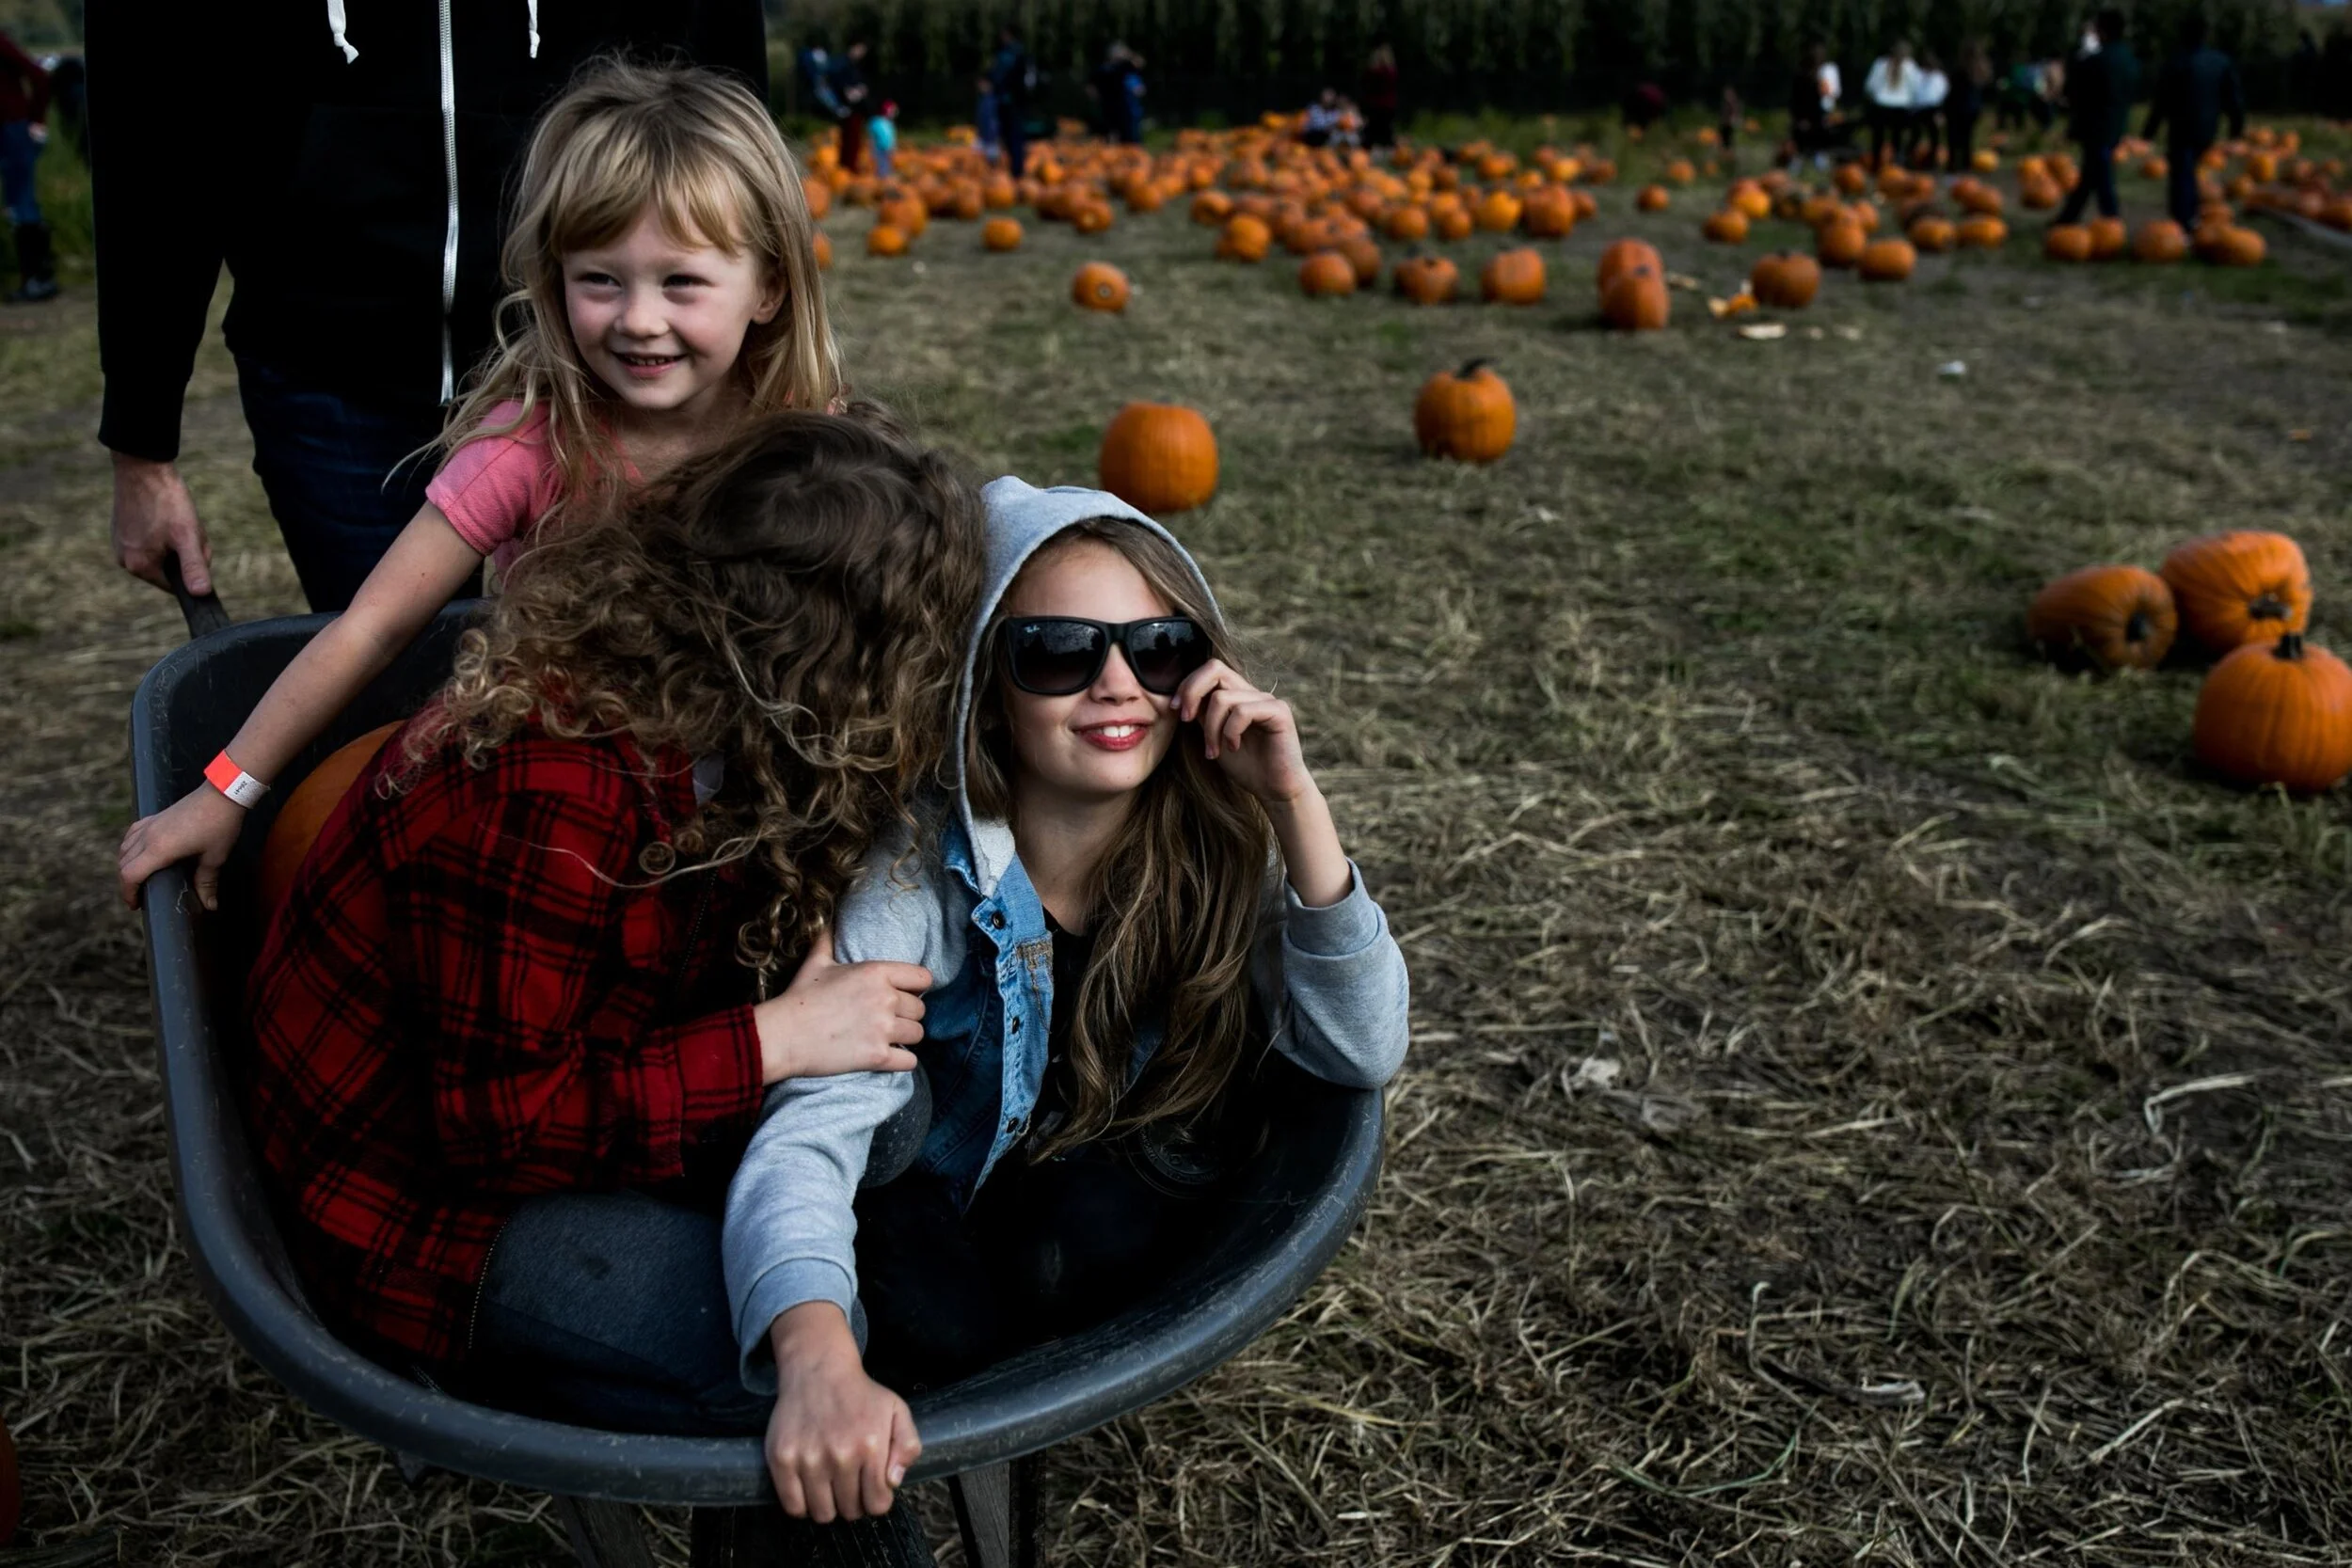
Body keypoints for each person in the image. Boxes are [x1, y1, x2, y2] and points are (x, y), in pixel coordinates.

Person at [245, 409, 984, 1567]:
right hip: (420, 1198)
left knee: (886, 1129)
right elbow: (492, 1128)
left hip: (591, 1058)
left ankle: (868, 1316)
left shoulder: (720, 728)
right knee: (764, 1370)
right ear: (820, 671)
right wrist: (768, 1042)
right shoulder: (549, 792)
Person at [723, 480, 1411, 1523]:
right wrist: (816, 1355)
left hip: (1097, 1186)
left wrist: (1292, 799)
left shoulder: (1212, 850)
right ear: (988, 683)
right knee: (923, 1298)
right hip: (949, 1205)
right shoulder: (914, 876)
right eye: (1058, 650)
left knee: (1086, 1233)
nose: (1117, 684)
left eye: (1159, 647)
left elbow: (1360, 1047)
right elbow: (811, 1131)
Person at [117, 62, 839, 911]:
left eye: (681, 281)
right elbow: (368, 630)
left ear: (769, 287)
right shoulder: (530, 448)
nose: (640, 319)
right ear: (552, 277)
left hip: (758, 783)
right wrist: (224, 789)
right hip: (566, 789)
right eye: (600, 279)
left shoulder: (803, 431)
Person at [88, 1, 767, 616]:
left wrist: (749, 368)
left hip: (588, 366)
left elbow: (720, 108)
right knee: (390, 698)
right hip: (331, 370)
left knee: (638, 654)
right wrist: (141, 446)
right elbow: (148, 124)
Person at [2143, 16, 2245, 232]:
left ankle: (2182, 223)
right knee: (2196, 172)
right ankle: (2195, 216)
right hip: (2208, 127)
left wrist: (2148, 133)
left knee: (2181, 175)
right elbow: (2233, 99)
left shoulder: (2175, 62)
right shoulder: (2220, 62)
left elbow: (2161, 102)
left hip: (2180, 126)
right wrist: (2236, 130)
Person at [2057, 9, 2139, 224]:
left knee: (2100, 174)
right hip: (2117, 123)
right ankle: (2069, 217)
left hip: (2095, 126)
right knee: (2091, 174)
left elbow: (2074, 90)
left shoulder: (2096, 61)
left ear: (2102, 31)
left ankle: (2111, 219)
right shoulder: (2129, 60)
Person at [0, 29, 55, 304]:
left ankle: (37, 280)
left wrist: (37, 120)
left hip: (13, 128)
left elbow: (39, 75)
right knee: (16, 202)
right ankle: (38, 277)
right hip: (9, 128)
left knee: (22, 202)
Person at [1864, 40, 1921, 166]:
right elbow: (1916, 88)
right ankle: (1889, 161)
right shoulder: (1885, 65)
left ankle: (1884, 162)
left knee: (1885, 135)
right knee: (1892, 136)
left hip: (1891, 105)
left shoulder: (1905, 66)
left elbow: (1870, 86)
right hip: (1892, 105)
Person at [989, 26, 1036, 179]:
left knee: (1012, 135)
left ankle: (1016, 170)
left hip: (1010, 99)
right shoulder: (1016, 53)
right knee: (1012, 135)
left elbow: (999, 76)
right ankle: (1015, 168)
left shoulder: (1011, 54)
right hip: (1013, 100)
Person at [1947, 41, 1992, 171]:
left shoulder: (1960, 69)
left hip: (1957, 106)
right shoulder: (1981, 69)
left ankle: (1953, 162)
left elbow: (1952, 90)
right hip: (1973, 107)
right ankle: (1966, 163)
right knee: (1967, 137)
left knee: (1954, 137)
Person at [829, 41, 871, 175]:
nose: (861, 53)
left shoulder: (856, 66)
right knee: (848, 139)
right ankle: (847, 168)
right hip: (847, 107)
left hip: (857, 107)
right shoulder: (842, 64)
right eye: (859, 49)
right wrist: (848, 91)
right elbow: (837, 83)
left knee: (854, 139)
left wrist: (861, 90)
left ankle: (849, 167)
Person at [1910, 52, 1949, 166]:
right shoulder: (1917, 75)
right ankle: (1911, 157)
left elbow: (1943, 94)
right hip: (1918, 108)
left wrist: (1941, 112)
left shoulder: (1939, 77)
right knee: (1915, 134)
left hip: (1934, 109)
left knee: (1934, 136)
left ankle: (1932, 160)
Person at [1361, 41, 1400, 151]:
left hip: (1375, 104)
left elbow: (1366, 85)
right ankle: (1387, 149)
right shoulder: (1392, 72)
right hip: (1389, 104)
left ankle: (1374, 149)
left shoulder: (1373, 72)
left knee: (1374, 129)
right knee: (1386, 129)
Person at [869, 100, 898, 182]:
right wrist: (871, 149)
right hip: (879, 148)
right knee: (881, 166)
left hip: (888, 148)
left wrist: (894, 146)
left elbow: (892, 137)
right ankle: (880, 181)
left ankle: (886, 181)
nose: (893, 113)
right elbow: (872, 137)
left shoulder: (889, 123)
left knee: (888, 166)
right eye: (892, 111)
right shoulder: (876, 122)